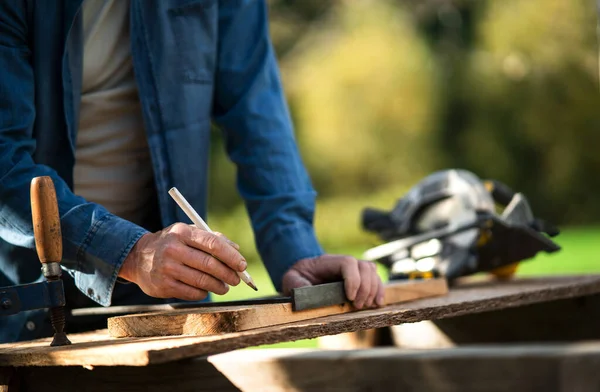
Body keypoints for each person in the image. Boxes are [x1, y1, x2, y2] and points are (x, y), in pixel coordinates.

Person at [0, 0, 384, 343]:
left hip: (161, 283)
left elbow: (257, 113)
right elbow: (4, 163)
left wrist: (296, 252)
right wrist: (129, 252)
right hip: (23, 291)